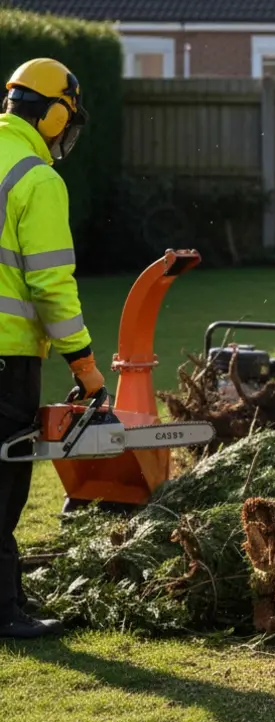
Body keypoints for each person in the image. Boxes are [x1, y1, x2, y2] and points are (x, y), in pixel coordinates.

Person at [0, 58, 105, 639]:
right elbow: (49, 285)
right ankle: (5, 613)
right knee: (4, 483)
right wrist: (85, 365)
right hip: (6, 354)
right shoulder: (36, 179)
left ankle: (8, 593)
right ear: (55, 113)